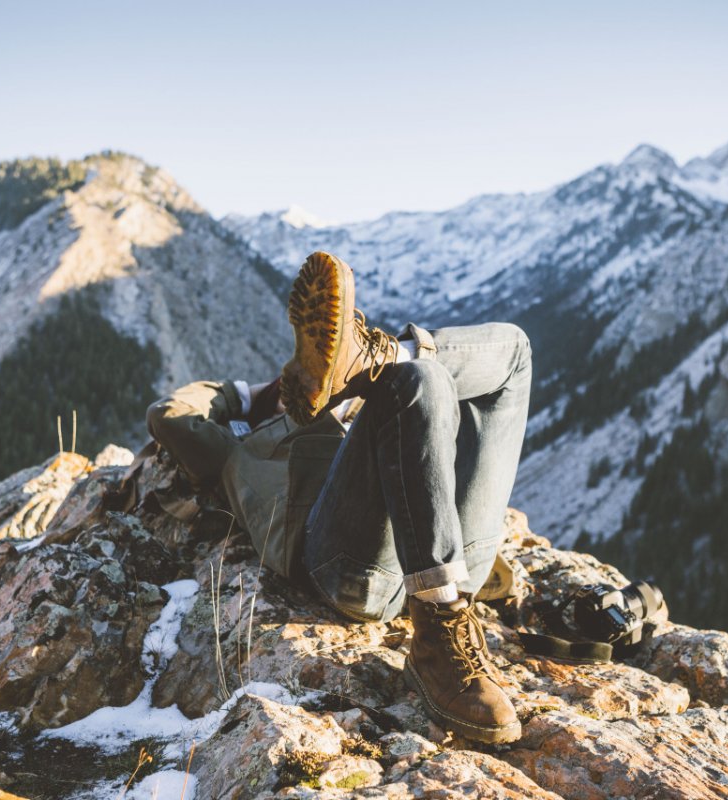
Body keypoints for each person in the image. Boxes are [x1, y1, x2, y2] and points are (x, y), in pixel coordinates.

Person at [146, 251, 532, 744]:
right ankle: (438, 635)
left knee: (513, 350)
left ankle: (382, 356)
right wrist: (254, 395)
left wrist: (345, 399)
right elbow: (168, 413)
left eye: (314, 375)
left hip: (458, 553)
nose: (302, 387)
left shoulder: (360, 412)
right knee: (420, 379)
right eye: (307, 377)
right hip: (346, 561)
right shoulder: (235, 446)